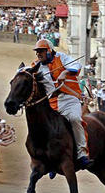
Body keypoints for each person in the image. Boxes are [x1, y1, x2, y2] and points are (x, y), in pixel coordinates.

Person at [32, 39, 93, 170]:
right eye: (37, 52)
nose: (38, 54)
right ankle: (48, 158)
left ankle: (82, 154)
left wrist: (65, 72)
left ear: (49, 51)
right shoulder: (36, 66)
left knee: (75, 119)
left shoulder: (61, 57)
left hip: (69, 98)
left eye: (41, 51)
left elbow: (76, 66)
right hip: (51, 102)